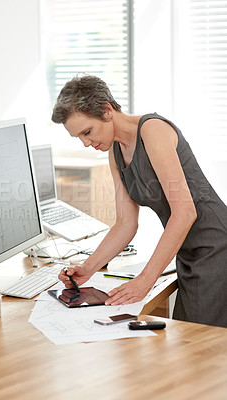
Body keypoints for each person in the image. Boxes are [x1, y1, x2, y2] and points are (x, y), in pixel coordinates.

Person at [51, 74, 227, 328]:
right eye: (79, 137)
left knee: (199, 349)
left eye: (87, 132)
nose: (86, 143)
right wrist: (88, 268)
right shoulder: (114, 151)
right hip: (188, 252)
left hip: (217, 248)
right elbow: (125, 223)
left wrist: (146, 279)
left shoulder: (152, 130)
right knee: (190, 347)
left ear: (106, 109)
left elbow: (185, 212)